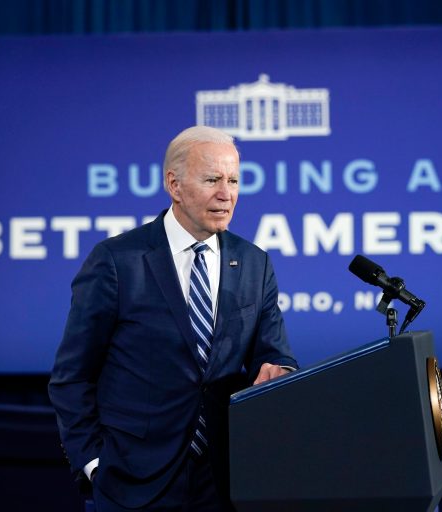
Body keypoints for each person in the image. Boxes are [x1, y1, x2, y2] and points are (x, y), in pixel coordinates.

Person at [48, 126, 298, 512]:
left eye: (233, 180)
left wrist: (278, 369)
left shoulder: (254, 262)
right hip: (131, 481)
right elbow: (72, 377)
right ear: (174, 184)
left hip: (224, 481)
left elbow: (274, 351)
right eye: (212, 179)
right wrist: (95, 465)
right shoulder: (117, 261)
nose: (226, 193)